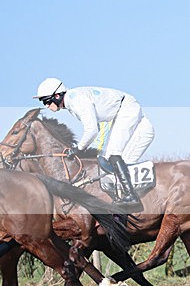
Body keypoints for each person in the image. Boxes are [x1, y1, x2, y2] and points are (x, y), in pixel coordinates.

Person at [34, 78, 155, 209]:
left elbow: (92, 131)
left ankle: (132, 196)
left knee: (114, 154)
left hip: (127, 109)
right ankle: (124, 195)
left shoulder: (76, 101)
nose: (46, 106)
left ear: (57, 96)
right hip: (122, 111)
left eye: (46, 101)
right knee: (107, 157)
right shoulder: (72, 101)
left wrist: (78, 149)